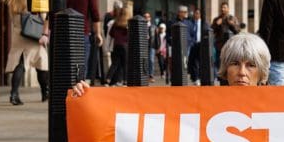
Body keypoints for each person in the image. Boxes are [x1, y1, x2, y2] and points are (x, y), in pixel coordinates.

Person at [73, 33, 271, 95]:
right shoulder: (204, 102)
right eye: (235, 63)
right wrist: (91, 96)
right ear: (225, 68)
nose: (242, 72)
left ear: (262, 72)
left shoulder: (280, 111)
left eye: (251, 65)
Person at [2, 0, 49, 105]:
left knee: (20, 64)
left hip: (18, 35)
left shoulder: (13, 1)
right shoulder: (34, 1)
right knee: (41, 65)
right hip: (34, 36)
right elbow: (44, 18)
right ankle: (45, 93)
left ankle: (14, 94)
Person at [65, 0, 103, 80]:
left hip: (63, 33)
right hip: (82, 33)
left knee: (64, 66)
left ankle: (65, 93)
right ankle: (79, 94)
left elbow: (52, 13)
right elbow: (95, 16)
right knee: (81, 65)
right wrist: (98, 34)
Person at [104, 8, 129, 86]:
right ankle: (125, 81)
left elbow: (111, 34)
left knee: (114, 64)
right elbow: (129, 36)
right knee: (125, 64)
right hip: (124, 46)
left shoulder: (115, 23)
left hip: (116, 45)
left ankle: (107, 80)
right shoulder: (127, 23)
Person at [187, 8, 202, 85]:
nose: (196, 15)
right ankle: (195, 77)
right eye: (195, 13)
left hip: (201, 44)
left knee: (199, 61)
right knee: (193, 61)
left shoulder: (203, 23)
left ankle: (198, 77)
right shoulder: (190, 23)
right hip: (193, 44)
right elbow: (188, 33)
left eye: (198, 13)